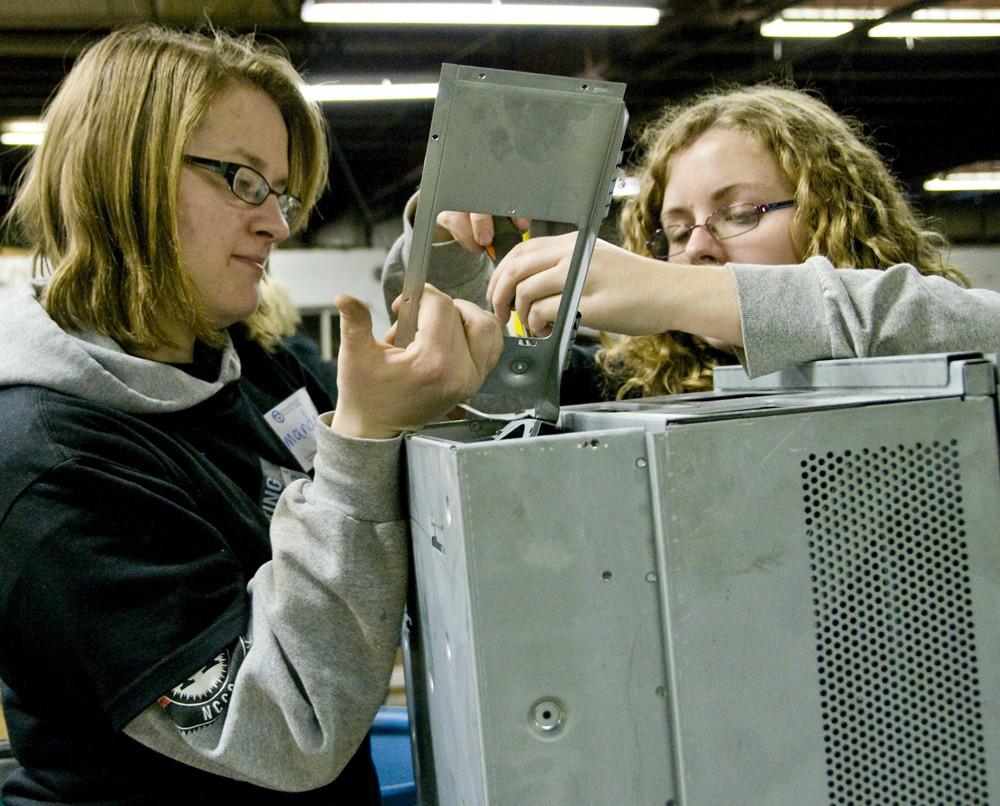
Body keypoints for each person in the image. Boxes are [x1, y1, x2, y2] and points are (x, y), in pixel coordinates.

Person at [0, 24, 501, 804]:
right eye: (241, 180)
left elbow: (399, 469)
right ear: (121, 176)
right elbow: (285, 727)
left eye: (281, 191)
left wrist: (444, 278)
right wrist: (363, 439)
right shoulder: (47, 461)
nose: (276, 221)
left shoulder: (250, 360)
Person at [383, 84, 1000, 396]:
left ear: (833, 214)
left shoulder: (932, 334)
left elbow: (977, 326)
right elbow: (483, 385)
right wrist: (446, 250)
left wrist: (675, 289)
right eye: (676, 231)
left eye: (740, 213)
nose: (696, 249)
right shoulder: (636, 386)